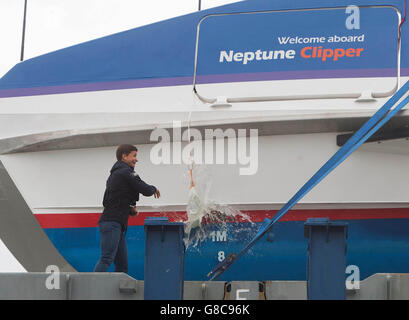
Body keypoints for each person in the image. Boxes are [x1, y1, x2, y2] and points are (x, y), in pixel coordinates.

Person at [94, 144, 160, 273]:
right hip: (111, 223)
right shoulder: (125, 172)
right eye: (134, 156)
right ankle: (90, 290)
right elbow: (144, 188)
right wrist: (154, 189)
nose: (137, 159)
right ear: (124, 156)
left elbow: (116, 198)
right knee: (107, 258)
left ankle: (118, 292)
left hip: (116, 224)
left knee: (122, 266)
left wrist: (130, 209)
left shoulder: (117, 174)